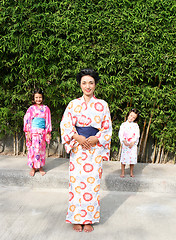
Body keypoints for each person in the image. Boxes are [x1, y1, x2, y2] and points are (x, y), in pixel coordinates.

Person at [60, 69, 112, 233]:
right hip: (78, 148)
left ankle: (89, 218)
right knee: (76, 184)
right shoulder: (73, 104)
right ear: (80, 85)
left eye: (91, 82)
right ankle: (76, 217)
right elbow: (65, 125)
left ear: (95, 84)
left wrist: (97, 138)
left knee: (92, 184)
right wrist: (77, 137)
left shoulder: (102, 105)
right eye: (84, 83)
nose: (87, 86)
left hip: (95, 149)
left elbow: (107, 128)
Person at [23, 88, 52, 177]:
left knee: (41, 150)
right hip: (33, 132)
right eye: (36, 97)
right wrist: (27, 132)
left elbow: (48, 120)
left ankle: (40, 167)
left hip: (42, 133)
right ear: (33, 98)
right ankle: (33, 167)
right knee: (32, 150)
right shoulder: (31, 109)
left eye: (40, 97)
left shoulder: (46, 108)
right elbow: (27, 120)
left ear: (42, 98)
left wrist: (48, 132)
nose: (38, 99)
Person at [118, 108, 140, 178]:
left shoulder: (136, 126)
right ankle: (123, 172)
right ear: (128, 115)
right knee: (123, 159)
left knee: (132, 159)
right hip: (125, 144)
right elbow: (120, 133)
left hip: (132, 144)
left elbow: (137, 134)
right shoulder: (123, 124)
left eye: (134, 117)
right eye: (130, 116)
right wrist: (123, 141)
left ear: (135, 119)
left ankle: (131, 172)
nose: (131, 118)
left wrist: (133, 142)